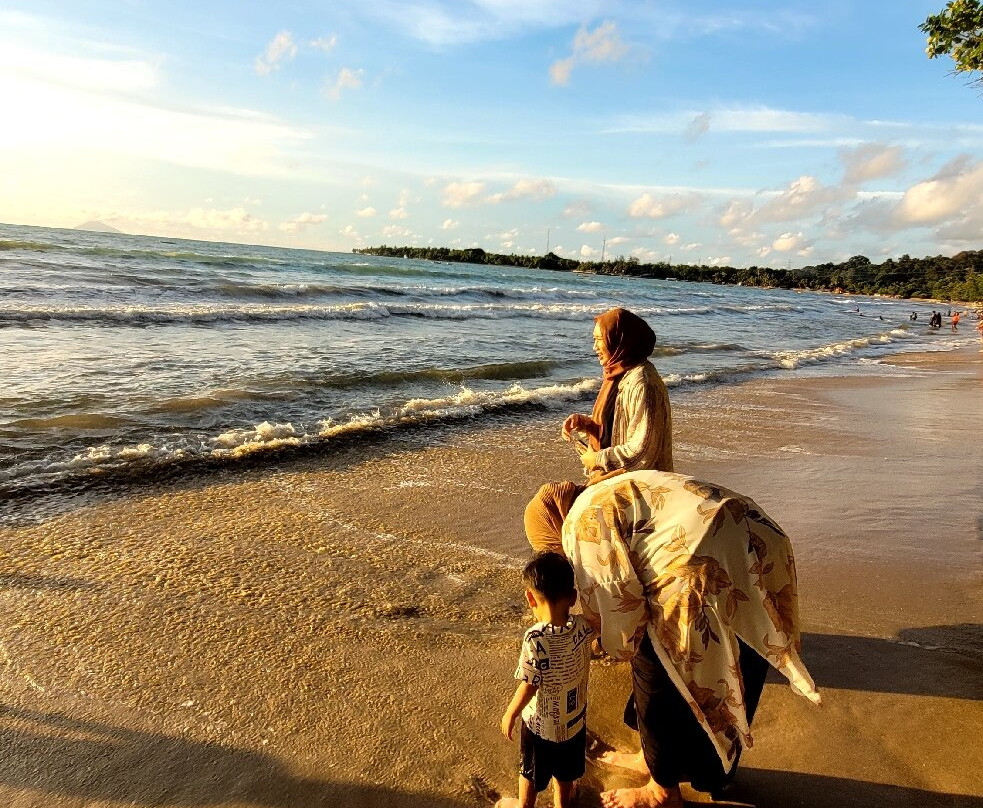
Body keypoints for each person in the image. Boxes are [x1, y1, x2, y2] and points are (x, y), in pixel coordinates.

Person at [525, 471, 821, 808]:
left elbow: (623, 624)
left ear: (553, 529)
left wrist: (588, 644)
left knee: (654, 663)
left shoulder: (579, 522)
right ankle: (706, 772)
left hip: (700, 563)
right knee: (745, 652)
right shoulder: (609, 487)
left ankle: (662, 790)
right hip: (760, 533)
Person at [497, 552, 595, 808]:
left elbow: (530, 683)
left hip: (540, 727)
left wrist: (510, 712)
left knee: (530, 773)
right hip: (574, 723)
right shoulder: (584, 627)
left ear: (530, 598)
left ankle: (524, 805)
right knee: (565, 777)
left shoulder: (535, 638)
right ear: (573, 597)